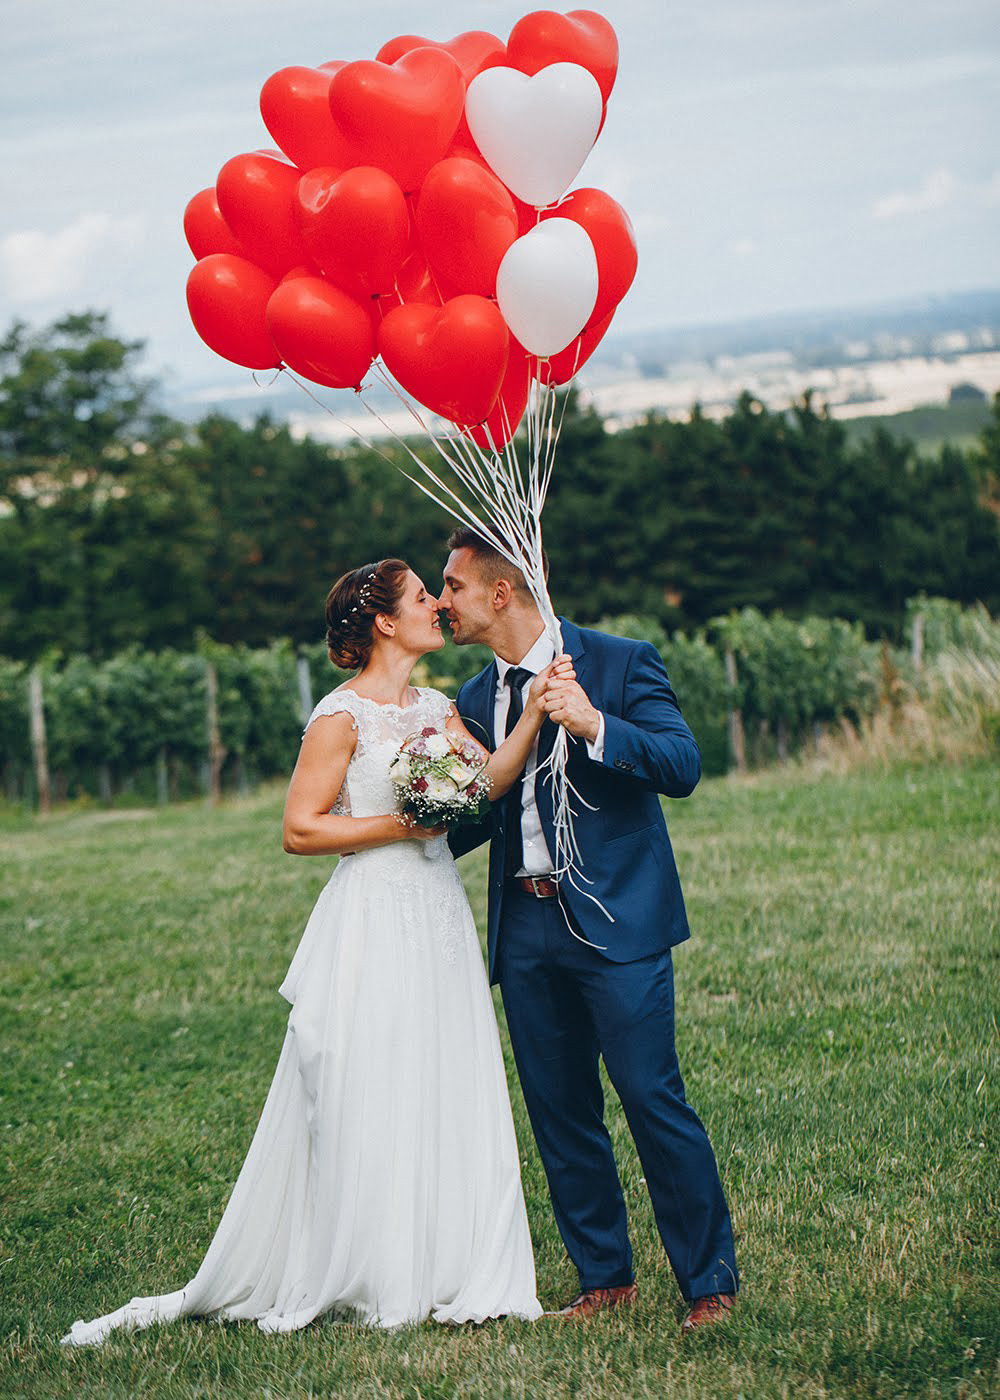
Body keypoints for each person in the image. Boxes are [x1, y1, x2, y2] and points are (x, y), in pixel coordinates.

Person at [62, 558, 572, 1346]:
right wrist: (401, 827)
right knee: (362, 1077)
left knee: (441, 1069)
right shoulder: (342, 717)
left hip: (436, 911)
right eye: (421, 598)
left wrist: (535, 713)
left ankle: (450, 1258)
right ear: (384, 622)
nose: (439, 605)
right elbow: (302, 829)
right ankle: (367, 1259)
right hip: (371, 910)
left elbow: (486, 786)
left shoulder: (438, 706)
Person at [439, 529, 739, 1332]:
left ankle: (709, 1281)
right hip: (525, 926)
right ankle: (604, 1275)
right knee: (559, 1109)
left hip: (618, 923)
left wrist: (594, 723)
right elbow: (474, 824)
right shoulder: (470, 700)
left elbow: (681, 765)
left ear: (501, 592)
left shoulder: (619, 660)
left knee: (650, 1095)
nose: (441, 603)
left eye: (454, 587)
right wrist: (436, 788)